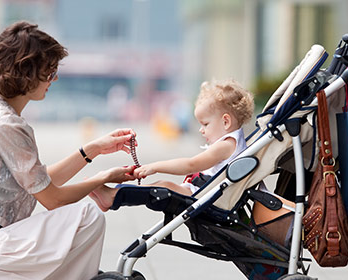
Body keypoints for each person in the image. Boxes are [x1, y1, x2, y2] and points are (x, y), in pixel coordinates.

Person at [0, 21, 136, 280]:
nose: (55, 79)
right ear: (27, 73)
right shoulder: (7, 123)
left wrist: (92, 150)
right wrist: (103, 179)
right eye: (50, 72)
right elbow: (52, 199)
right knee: (88, 215)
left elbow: (38, 181)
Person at [89, 78, 254, 212]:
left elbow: (191, 165)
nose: (201, 130)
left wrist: (155, 166)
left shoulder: (226, 146)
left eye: (205, 124)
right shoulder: (233, 142)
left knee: (162, 188)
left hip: (206, 196)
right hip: (204, 191)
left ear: (225, 121)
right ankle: (114, 194)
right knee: (161, 187)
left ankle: (113, 196)